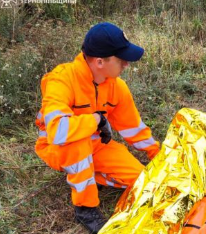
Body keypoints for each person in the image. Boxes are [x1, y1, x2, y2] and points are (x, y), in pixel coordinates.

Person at [34, 22, 160, 234]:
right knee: (77, 142)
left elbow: (133, 128)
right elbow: (58, 132)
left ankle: (92, 175)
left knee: (141, 180)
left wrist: (158, 155)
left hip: (96, 146)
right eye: (121, 59)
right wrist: (95, 120)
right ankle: (85, 207)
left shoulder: (116, 86)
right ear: (100, 61)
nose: (126, 64)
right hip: (59, 147)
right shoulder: (62, 79)